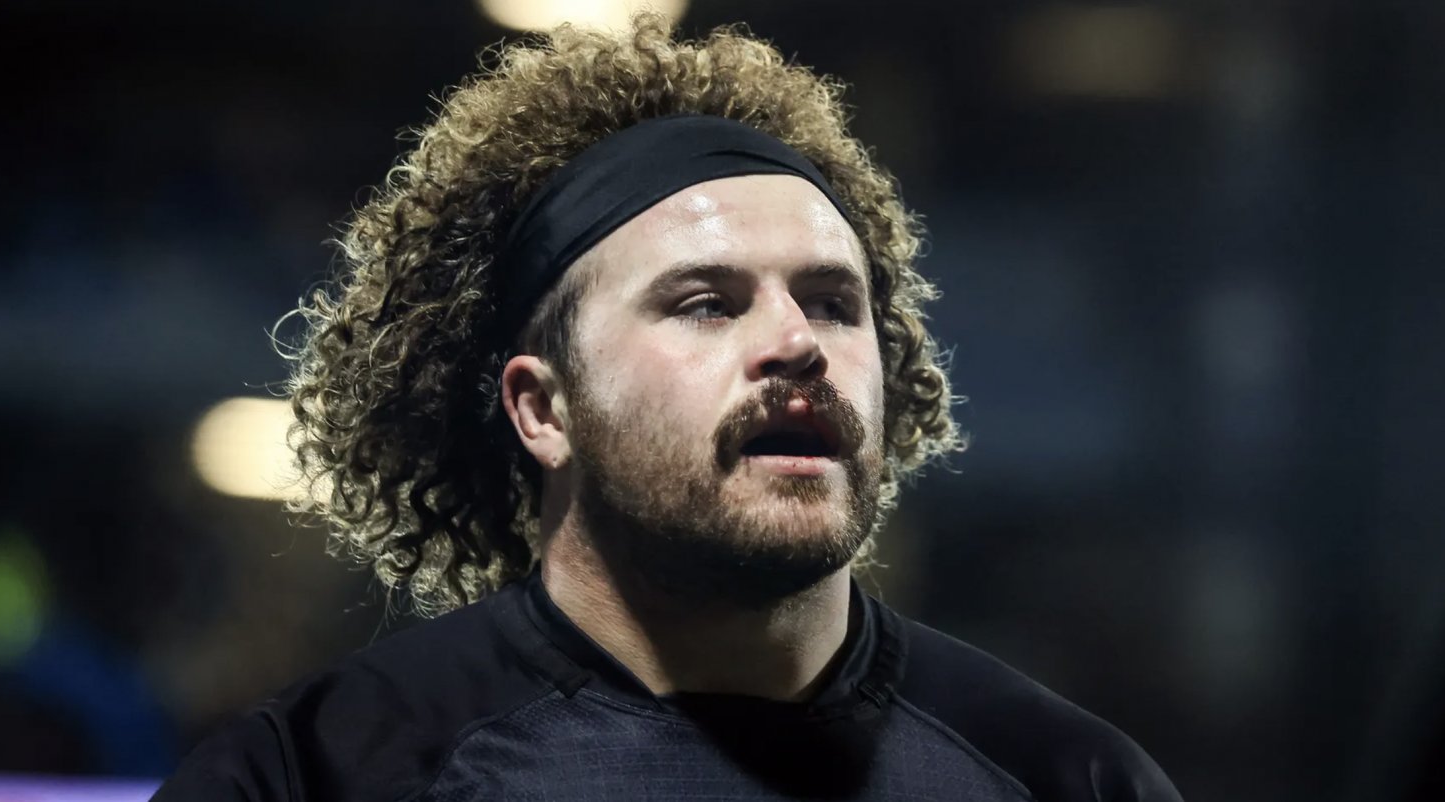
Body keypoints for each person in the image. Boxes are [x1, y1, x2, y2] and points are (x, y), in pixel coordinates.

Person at [154, 15, 1182, 802]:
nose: (797, 342)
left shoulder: (1066, 779)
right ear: (542, 408)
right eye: (706, 303)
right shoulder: (315, 775)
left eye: (833, 301)